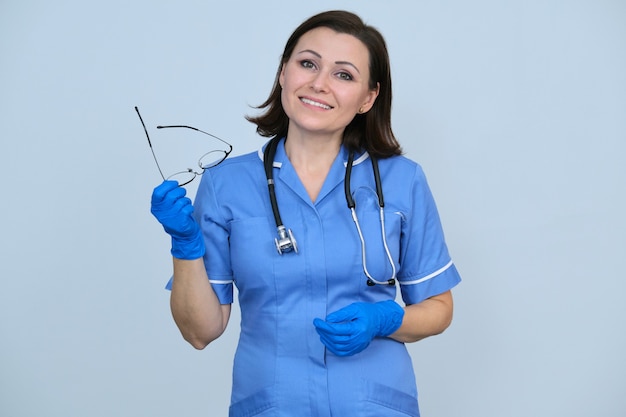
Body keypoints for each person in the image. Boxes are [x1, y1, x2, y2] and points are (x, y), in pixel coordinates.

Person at [150, 10, 461, 417]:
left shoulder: (402, 181)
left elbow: (439, 309)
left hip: (375, 405)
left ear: (369, 97)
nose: (319, 83)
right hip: (272, 403)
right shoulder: (227, 184)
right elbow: (200, 331)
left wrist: (384, 319)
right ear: (284, 73)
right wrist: (185, 246)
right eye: (308, 63)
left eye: (344, 75)